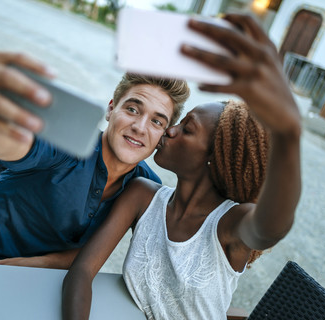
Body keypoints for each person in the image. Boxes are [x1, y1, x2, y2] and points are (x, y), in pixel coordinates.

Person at [62, 14, 301, 320]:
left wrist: (289, 135)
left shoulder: (230, 223)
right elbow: (81, 272)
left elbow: (275, 224)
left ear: (214, 157)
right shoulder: (142, 196)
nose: (168, 131)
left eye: (187, 129)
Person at [0, 53, 190, 267]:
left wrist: (21, 267)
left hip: (30, 278)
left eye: (156, 121)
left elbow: (90, 254)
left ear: (163, 135)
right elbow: (13, 145)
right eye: (132, 108)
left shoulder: (144, 187)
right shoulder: (67, 144)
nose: (140, 127)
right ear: (110, 109)